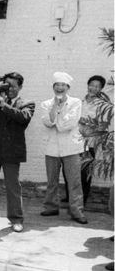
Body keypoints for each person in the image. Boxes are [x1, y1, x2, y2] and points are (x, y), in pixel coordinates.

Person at [0, 72, 35, 232]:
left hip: (12, 152)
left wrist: (4, 105)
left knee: (13, 187)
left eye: (13, 86)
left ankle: (16, 219)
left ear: (20, 87)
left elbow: (23, 118)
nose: (9, 89)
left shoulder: (27, 103)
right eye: (7, 85)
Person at [39, 72, 87, 224]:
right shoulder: (46, 104)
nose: (60, 88)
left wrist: (56, 121)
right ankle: (51, 206)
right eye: (57, 85)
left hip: (71, 147)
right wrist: (55, 107)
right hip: (51, 147)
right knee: (51, 180)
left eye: (63, 85)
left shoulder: (76, 102)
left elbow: (70, 124)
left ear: (68, 87)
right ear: (53, 87)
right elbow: (47, 122)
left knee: (74, 181)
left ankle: (77, 211)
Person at [78, 75, 113, 203]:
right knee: (70, 171)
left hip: (89, 144)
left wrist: (87, 122)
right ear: (87, 85)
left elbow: (103, 125)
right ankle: (71, 197)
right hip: (74, 142)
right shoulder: (80, 102)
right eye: (91, 85)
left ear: (101, 89)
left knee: (84, 173)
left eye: (97, 86)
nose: (93, 88)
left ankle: (83, 199)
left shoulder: (102, 105)